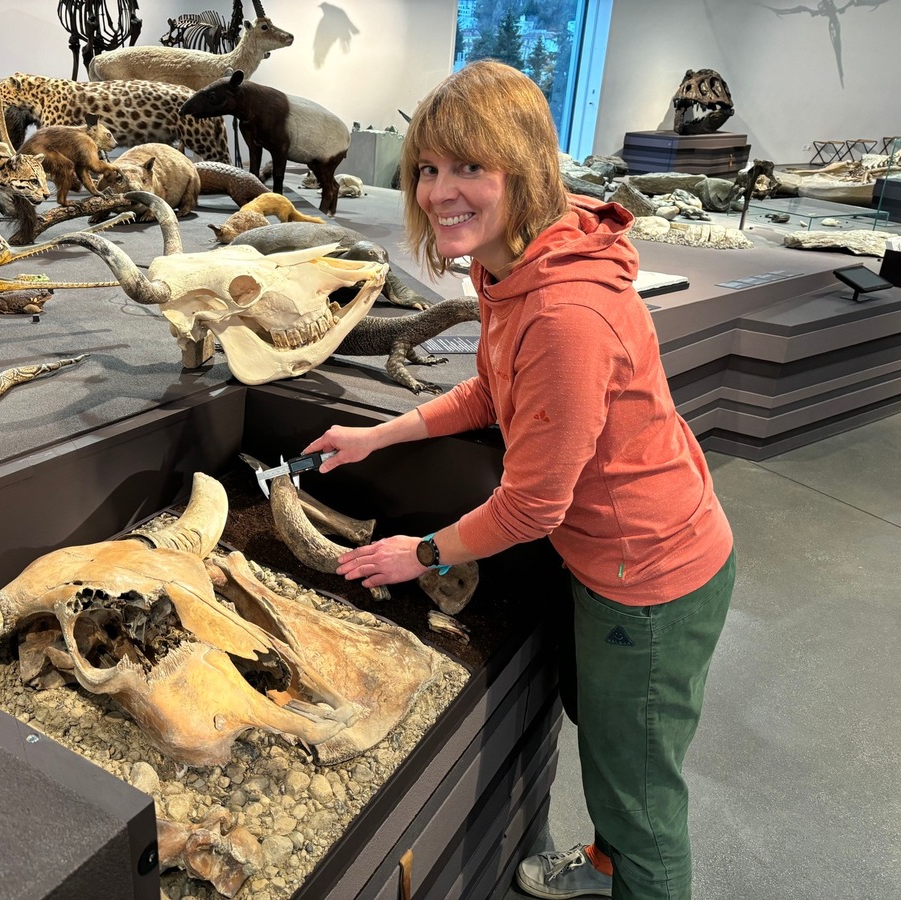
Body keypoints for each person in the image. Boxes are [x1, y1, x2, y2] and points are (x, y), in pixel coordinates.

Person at [302, 60, 736, 900]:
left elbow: (536, 503)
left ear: (525, 169)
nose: (438, 191)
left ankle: (632, 872)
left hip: (649, 576)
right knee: (616, 758)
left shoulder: (565, 313)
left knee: (642, 797)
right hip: (612, 563)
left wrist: (416, 554)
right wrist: (372, 436)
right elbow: (492, 389)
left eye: (470, 167)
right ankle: (606, 866)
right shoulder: (511, 267)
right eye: (429, 168)